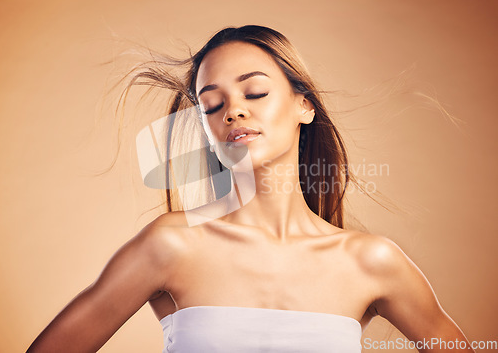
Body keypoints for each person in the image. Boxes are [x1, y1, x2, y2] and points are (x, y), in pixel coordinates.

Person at [27, 25, 474, 352]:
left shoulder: (372, 262)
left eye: (254, 93)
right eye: (212, 105)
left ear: (305, 106)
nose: (233, 112)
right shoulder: (171, 244)